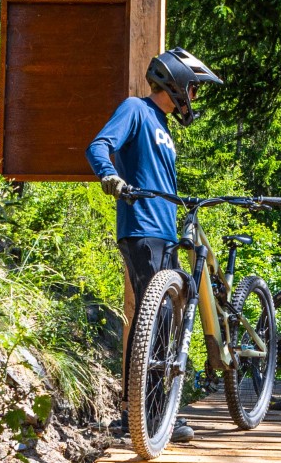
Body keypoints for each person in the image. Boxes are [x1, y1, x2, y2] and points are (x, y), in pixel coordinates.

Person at [86, 47, 222, 443]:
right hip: (141, 226)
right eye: (193, 88)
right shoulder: (136, 109)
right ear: (177, 83)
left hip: (164, 232)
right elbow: (98, 145)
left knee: (162, 316)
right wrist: (109, 175)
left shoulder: (162, 125)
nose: (194, 97)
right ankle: (144, 414)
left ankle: (145, 411)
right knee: (156, 314)